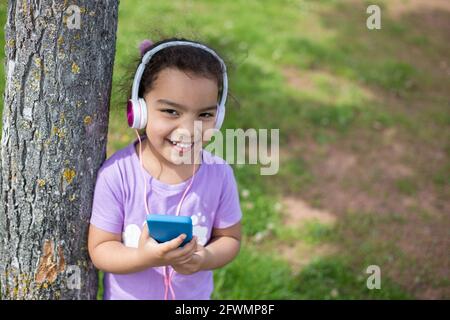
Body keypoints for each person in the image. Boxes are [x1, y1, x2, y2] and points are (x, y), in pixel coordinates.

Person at [88, 37, 242, 300]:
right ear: (138, 111)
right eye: (171, 111)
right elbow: (101, 249)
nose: (188, 129)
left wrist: (203, 258)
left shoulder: (219, 174)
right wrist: (143, 257)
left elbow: (230, 239)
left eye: (204, 115)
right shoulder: (118, 175)